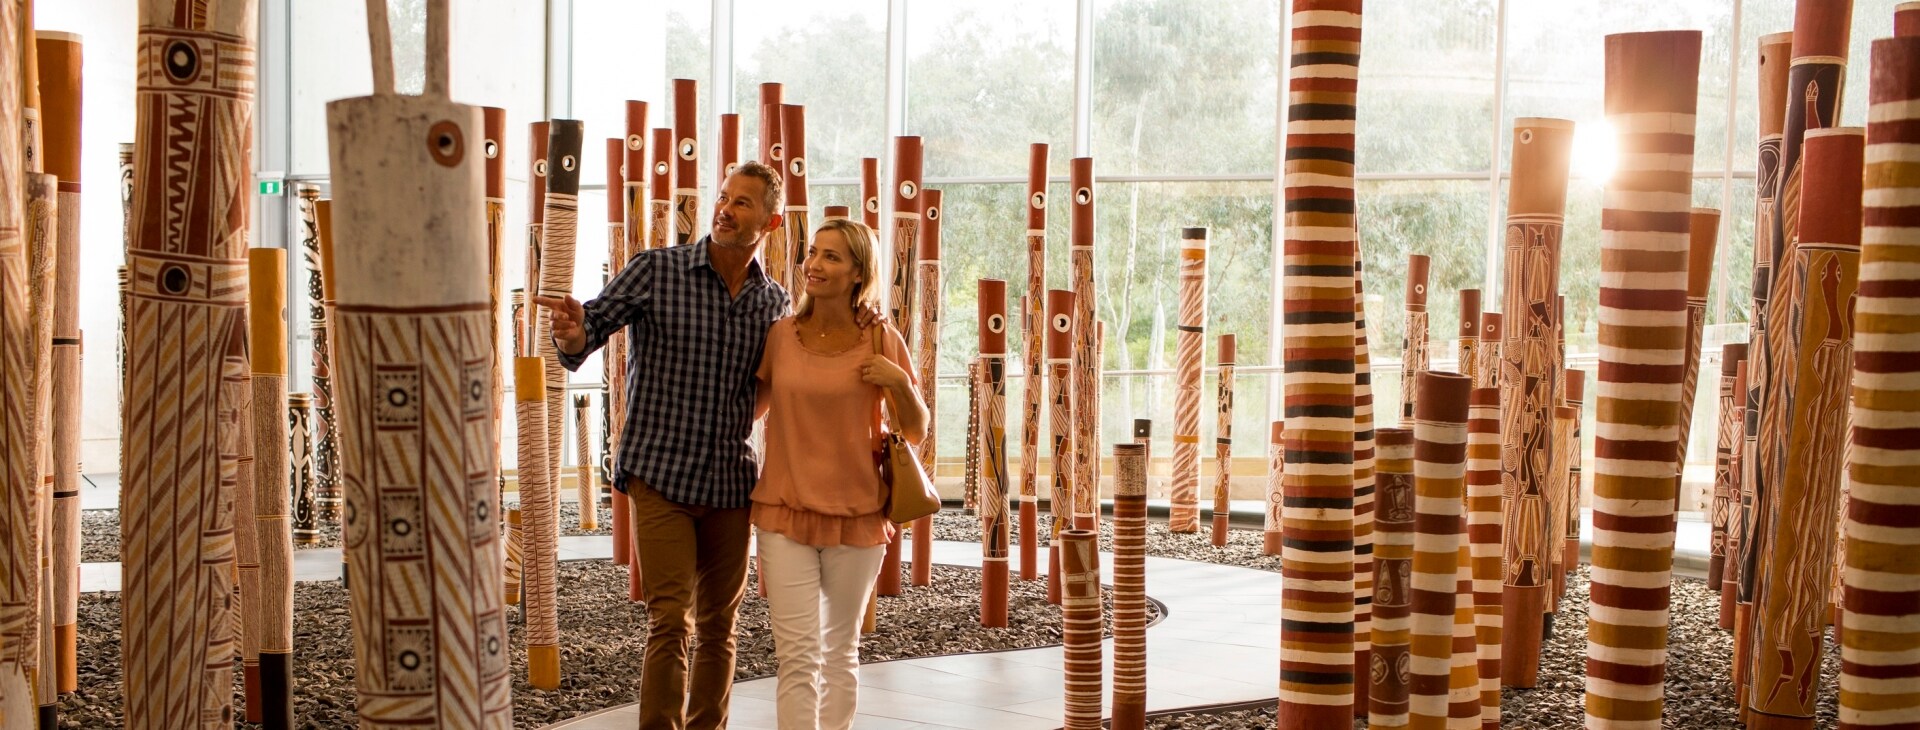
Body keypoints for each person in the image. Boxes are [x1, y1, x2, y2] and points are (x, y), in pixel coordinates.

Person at [543, 160, 831, 730]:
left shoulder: (773, 305)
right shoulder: (657, 269)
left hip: (728, 482)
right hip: (660, 474)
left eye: (743, 203)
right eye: (724, 197)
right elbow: (590, 328)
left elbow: (772, 384)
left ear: (770, 222)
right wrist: (572, 331)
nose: (725, 209)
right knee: (671, 619)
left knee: (721, 626)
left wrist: (735, 421)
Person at [751, 219, 927, 730]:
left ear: (857, 272)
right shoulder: (781, 336)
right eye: (813, 254)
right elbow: (751, 410)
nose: (815, 265)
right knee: (798, 658)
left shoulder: (879, 337)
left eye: (831, 257)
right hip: (784, 512)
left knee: (840, 652)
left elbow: (913, 430)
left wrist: (898, 381)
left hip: (858, 516)